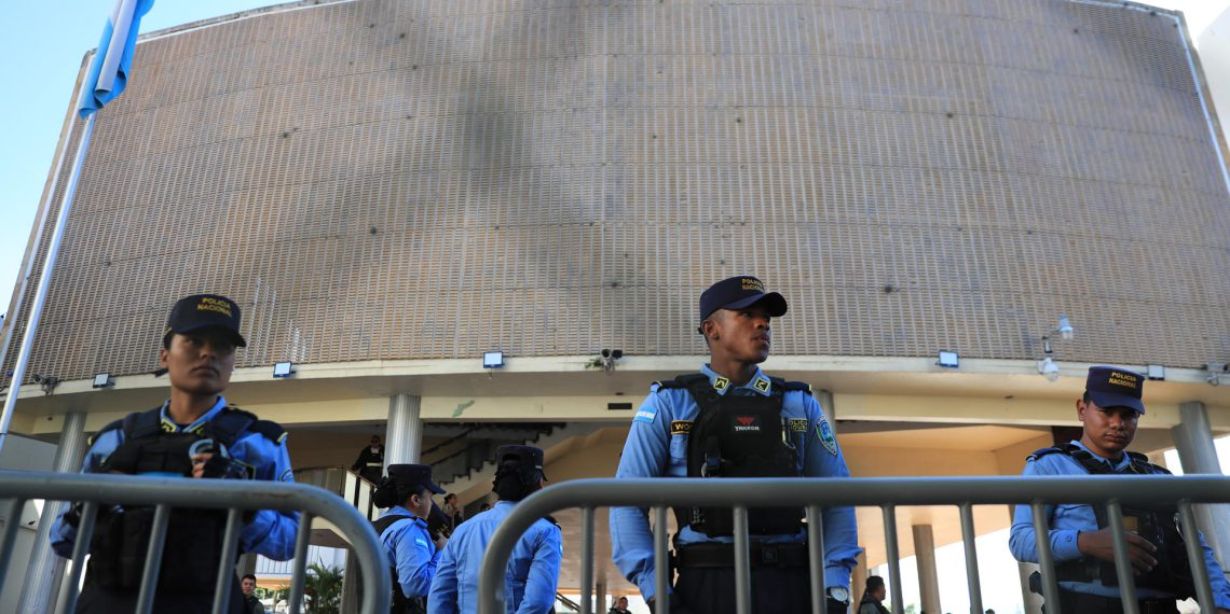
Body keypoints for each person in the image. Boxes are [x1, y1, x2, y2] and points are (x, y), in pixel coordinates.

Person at [610, 276, 862, 614]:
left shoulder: (800, 404)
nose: (762, 324)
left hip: (791, 582)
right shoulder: (668, 404)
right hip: (705, 586)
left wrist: (835, 590)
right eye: (746, 314)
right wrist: (658, 594)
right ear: (711, 329)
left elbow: (837, 496)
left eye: (766, 318)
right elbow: (626, 501)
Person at [49, 293, 298, 613]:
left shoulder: (258, 445)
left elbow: (290, 542)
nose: (208, 353)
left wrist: (242, 506)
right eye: (194, 341)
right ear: (165, 355)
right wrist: (95, 504)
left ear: (232, 363)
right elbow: (62, 541)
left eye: (223, 346)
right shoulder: (115, 440)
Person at [1009, 366, 1230, 613]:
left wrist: (1220, 604)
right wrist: (1085, 542)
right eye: (1106, 412)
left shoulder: (1156, 477)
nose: (1117, 423)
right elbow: (1021, 540)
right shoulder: (1050, 466)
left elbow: (1195, 549)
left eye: (1128, 415)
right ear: (1082, 410)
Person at [429, 445, 563, 614]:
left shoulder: (463, 530)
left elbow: (439, 595)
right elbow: (538, 601)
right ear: (537, 484)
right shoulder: (545, 531)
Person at [373, 463, 449, 613]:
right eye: (430, 497)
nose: (432, 504)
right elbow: (416, 586)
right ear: (416, 500)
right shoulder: (409, 529)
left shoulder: (381, 524)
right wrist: (442, 551)